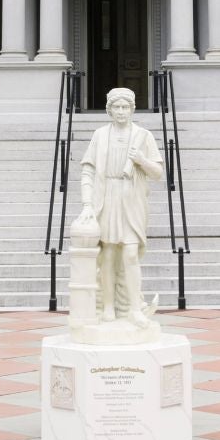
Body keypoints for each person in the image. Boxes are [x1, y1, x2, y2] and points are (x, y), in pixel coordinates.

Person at [75, 87, 164, 325]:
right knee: (108, 254)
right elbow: (88, 169)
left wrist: (141, 160)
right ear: (109, 110)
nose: (121, 111)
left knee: (131, 253)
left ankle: (135, 308)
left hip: (132, 198)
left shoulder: (143, 136)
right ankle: (108, 308)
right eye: (117, 107)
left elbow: (157, 173)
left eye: (126, 107)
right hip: (106, 196)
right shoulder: (100, 135)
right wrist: (87, 204)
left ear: (133, 109)